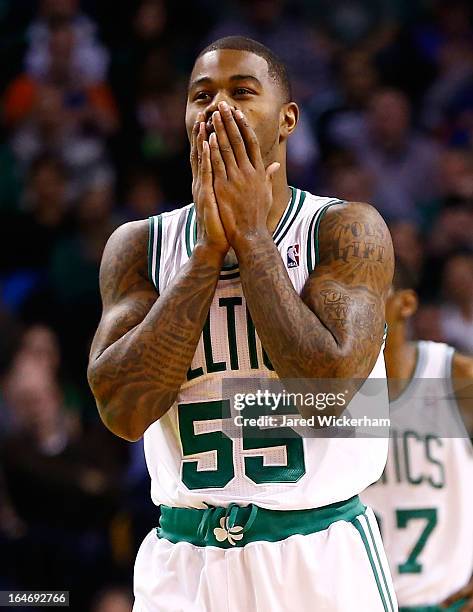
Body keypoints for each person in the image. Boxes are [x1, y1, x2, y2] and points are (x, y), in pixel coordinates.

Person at [88, 36, 396, 611]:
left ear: (287, 120)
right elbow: (123, 414)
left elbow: (326, 398)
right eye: (200, 95)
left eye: (242, 92)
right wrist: (206, 253)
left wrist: (252, 241)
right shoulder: (138, 247)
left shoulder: (344, 230)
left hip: (316, 554)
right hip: (186, 558)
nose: (218, 108)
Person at [362, 260, 473, 610]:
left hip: (442, 600)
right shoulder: (328, 391)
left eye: (369, 293)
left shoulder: (453, 376)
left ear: (405, 304)